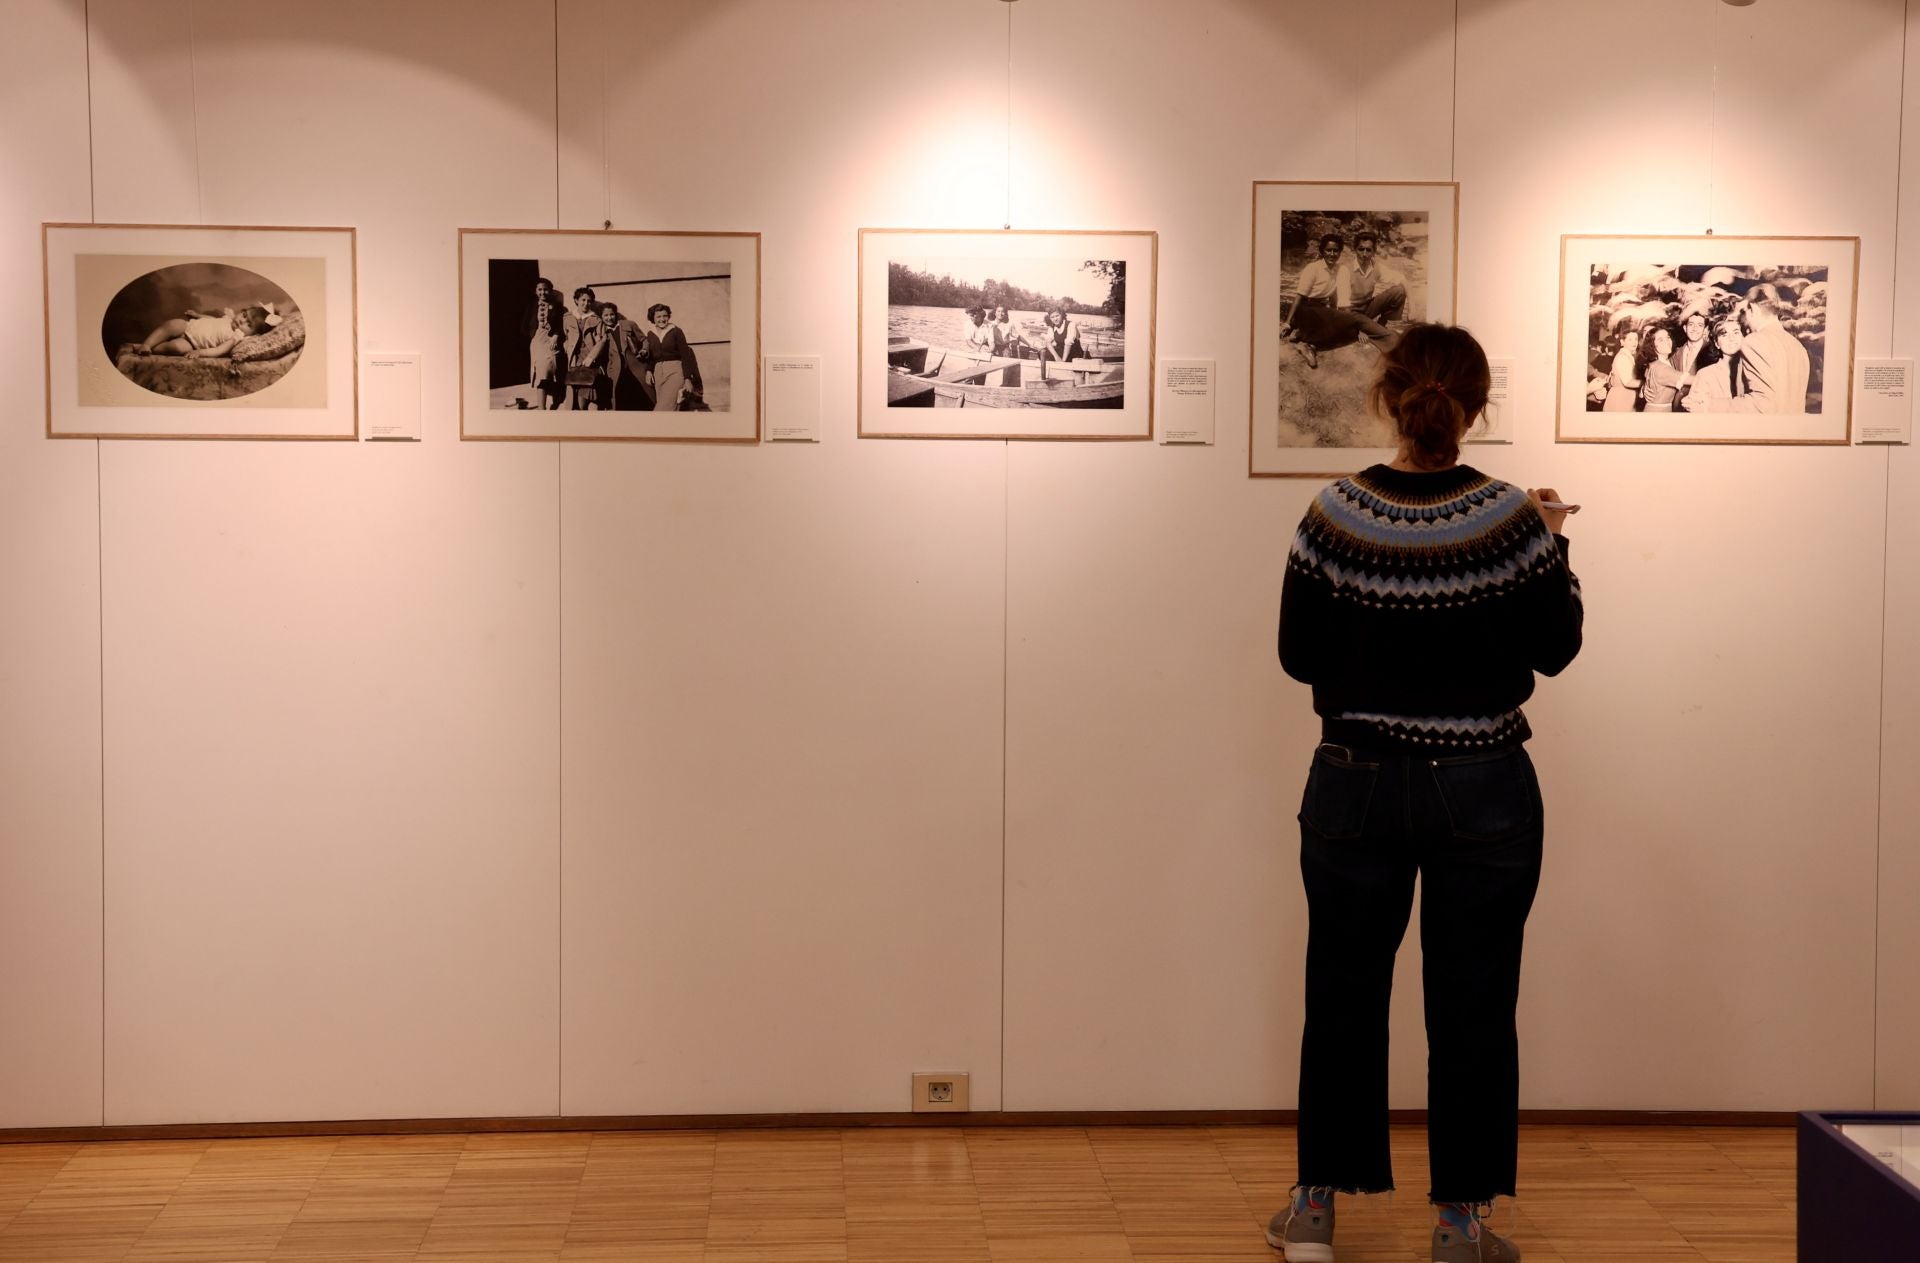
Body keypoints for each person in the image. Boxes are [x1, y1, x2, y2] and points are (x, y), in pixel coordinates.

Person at [1272, 322, 1583, 1263]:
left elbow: (1297, 658)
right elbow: (1556, 649)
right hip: (1483, 787)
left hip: (1354, 784)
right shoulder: (1511, 520)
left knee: (1342, 995)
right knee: (1476, 1002)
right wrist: (1552, 542)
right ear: (1476, 405)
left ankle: (1316, 1213)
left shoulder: (1334, 512)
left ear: (1387, 396)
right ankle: (1459, 1225)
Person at [1282, 234, 1395, 369]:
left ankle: (1310, 342)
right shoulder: (1313, 268)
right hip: (1308, 309)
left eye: (1336, 251)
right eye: (1328, 250)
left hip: (1324, 310)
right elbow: (1299, 297)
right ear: (1322, 251)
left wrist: (1341, 318)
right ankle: (1393, 342)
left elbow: (1335, 297)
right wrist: (1288, 323)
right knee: (1356, 320)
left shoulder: (1340, 269)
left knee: (1351, 332)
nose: (1332, 254)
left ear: (1340, 252)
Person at [1725, 299, 1810, 413]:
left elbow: (1762, 405)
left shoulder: (1754, 341)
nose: (1743, 321)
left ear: (1752, 308)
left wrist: (1709, 405)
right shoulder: (1799, 347)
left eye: (1743, 312)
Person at [125, 304, 274, 359]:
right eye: (244, 315)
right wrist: (197, 315)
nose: (242, 321)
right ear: (242, 311)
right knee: (172, 324)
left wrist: (200, 353)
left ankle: (142, 348)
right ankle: (147, 344)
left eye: (248, 324)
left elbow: (219, 350)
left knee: (176, 348)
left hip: (192, 343)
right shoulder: (228, 319)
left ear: (252, 334)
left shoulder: (236, 337)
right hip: (189, 326)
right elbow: (211, 320)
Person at [642, 303, 702, 412]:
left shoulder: (676, 331)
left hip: (675, 371)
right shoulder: (650, 334)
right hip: (658, 374)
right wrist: (649, 371)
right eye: (658, 317)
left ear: (669, 316)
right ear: (653, 318)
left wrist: (687, 378)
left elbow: (685, 355)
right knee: (671, 407)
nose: (662, 319)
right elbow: (651, 356)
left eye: (665, 316)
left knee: (662, 409)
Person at [1681, 315, 1746, 412]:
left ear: (1743, 337)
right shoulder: (1705, 375)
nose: (1731, 338)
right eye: (1724, 334)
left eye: (1736, 332)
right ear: (1716, 343)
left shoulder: (1753, 370)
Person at [1342, 231, 1407, 326]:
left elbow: (1401, 279)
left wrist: (1412, 307)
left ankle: (1382, 324)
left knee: (1399, 291)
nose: (1364, 254)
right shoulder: (1345, 269)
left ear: (1374, 252)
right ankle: (1366, 327)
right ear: (1355, 250)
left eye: (1368, 250)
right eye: (1361, 249)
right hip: (1350, 313)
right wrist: (1358, 328)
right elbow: (1343, 306)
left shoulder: (1376, 267)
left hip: (1367, 310)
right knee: (1388, 337)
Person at [522, 277, 567, 410]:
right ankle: (542, 409)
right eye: (540, 289)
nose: (543, 292)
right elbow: (524, 325)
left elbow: (561, 324)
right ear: (536, 291)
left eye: (545, 289)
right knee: (540, 375)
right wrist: (533, 335)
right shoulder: (531, 306)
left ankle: (556, 400)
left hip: (551, 342)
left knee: (549, 372)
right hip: (538, 343)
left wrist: (556, 335)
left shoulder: (558, 307)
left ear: (550, 291)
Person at [600, 301, 651, 411]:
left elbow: (644, 339)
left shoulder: (629, 324)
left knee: (643, 399)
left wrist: (644, 350)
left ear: (616, 314)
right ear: (602, 317)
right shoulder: (601, 331)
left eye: (612, 314)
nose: (609, 318)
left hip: (635, 367)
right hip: (616, 371)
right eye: (606, 315)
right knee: (620, 402)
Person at [565, 286, 609, 411]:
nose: (586, 303)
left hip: (589, 360)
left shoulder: (596, 320)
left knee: (588, 392)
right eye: (583, 300)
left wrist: (592, 357)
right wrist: (566, 348)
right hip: (574, 360)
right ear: (576, 300)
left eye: (589, 301)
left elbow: (602, 340)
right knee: (574, 390)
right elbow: (566, 337)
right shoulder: (567, 318)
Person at [1636, 323, 1688, 412]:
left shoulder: (1671, 357)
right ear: (1652, 345)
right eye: (1660, 340)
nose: (1667, 341)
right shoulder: (1658, 366)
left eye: (1668, 337)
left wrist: (1644, 387)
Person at [1600, 326, 1641, 411]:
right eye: (1630, 339)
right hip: (1621, 400)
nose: (1634, 342)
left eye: (1636, 339)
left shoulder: (1628, 356)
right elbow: (1628, 382)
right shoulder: (1623, 357)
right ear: (1622, 342)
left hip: (1625, 398)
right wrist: (1646, 383)